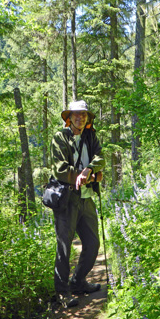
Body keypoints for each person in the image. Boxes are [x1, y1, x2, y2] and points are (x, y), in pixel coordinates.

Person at [50, 100, 105, 308]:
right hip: (67, 199)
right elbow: (60, 169)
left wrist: (89, 170)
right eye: (75, 114)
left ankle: (78, 282)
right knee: (64, 247)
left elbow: (100, 157)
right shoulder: (59, 138)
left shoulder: (91, 136)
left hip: (86, 197)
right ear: (69, 117)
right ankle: (62, 293)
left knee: (92, 244)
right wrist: (92, 176)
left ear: (87, 118)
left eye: (83, 114)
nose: (79, 118)